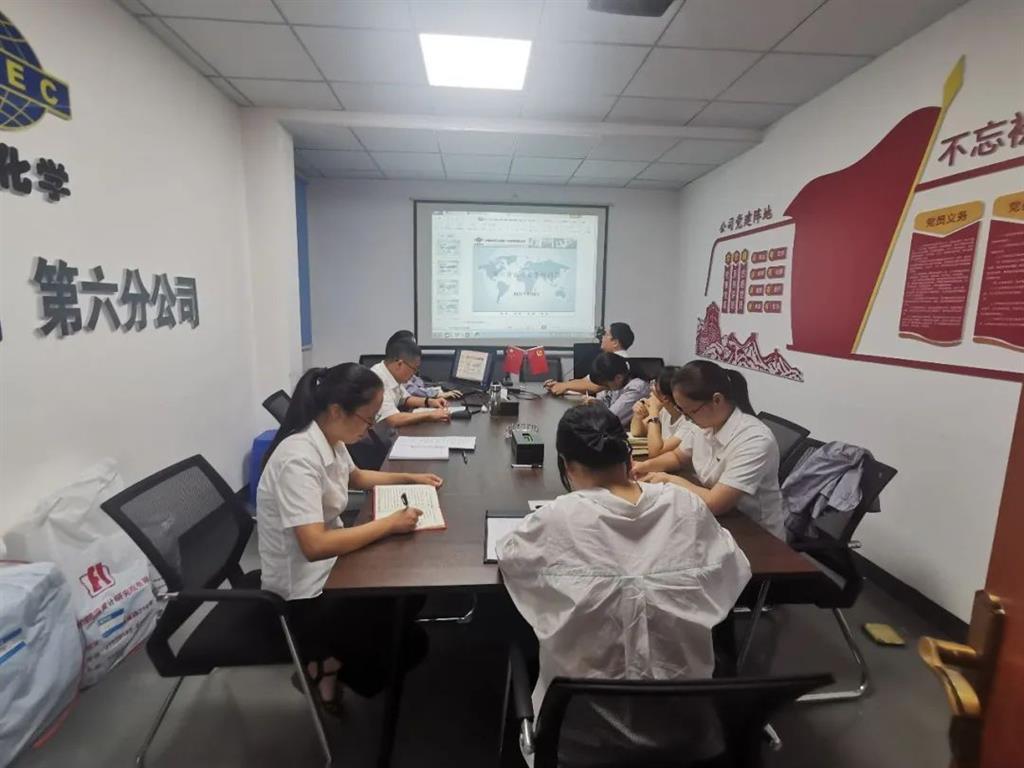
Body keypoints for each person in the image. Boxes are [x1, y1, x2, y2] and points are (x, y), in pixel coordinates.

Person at [497, 403, 751, 763]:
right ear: (628, 455)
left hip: (579, 745)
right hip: (688, 738)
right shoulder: (686, 506)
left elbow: (511, 556)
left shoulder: (556, 518)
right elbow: (732, 567)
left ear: (566, 465)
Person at [257, 363, 442, 710]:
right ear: (336, 410)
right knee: (408, 625)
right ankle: (329, 666)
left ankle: (332, 663)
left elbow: (356, 477)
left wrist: (411, 478)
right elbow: (314, 546)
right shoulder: (297, 459)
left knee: (412, 591)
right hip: (305, 593)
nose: (370, 428)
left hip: (334, 565)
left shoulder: (329, 437)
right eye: (367, 419)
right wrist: (389, 523)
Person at [633, 360, 785, 538]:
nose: (687, 418)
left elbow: (716, 503)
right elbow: (677, 457)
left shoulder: (754, 439)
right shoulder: (704, 424)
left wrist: (668, 479)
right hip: (713, 517)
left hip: (754, 532)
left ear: (717, 400)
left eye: (691, 412)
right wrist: (643, 466)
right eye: (682, 411)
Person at [370, 337, 451, 427]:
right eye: (414, 369)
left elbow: (405, 399)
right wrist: (429, 415)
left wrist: (430, 402)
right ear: (399, 364)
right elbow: (393, 419)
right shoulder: (376, 380)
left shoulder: (392, 375)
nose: (413, 375)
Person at [544, 321, 634, 396]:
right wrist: (559, 385)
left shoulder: (620, 362)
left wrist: (564, 386)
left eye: (606, 335)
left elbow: (594, 386)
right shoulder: (609, 359)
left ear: (615, 342)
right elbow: (586, 381)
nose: (602, 337)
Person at [629, 365, 693, 458]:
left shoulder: (690, 422)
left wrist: (653, 414)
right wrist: (638, 415)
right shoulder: (665, 410)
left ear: (665, 398)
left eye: (654, 387)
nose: (651, 392)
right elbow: (637, 432)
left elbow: (655, 453)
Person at [385, 330, 462, 401]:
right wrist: (436, 395)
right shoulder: (384, 381)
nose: (414, 348)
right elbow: (412, 391)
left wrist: (430, 399)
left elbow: (417, 385)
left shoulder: (401, 371)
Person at [589, 351, 650, 427]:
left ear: (619, 378)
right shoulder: (616, 384)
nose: (605, 388)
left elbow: (610, 420)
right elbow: (600, 406)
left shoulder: (636, 388)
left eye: (606, 385)